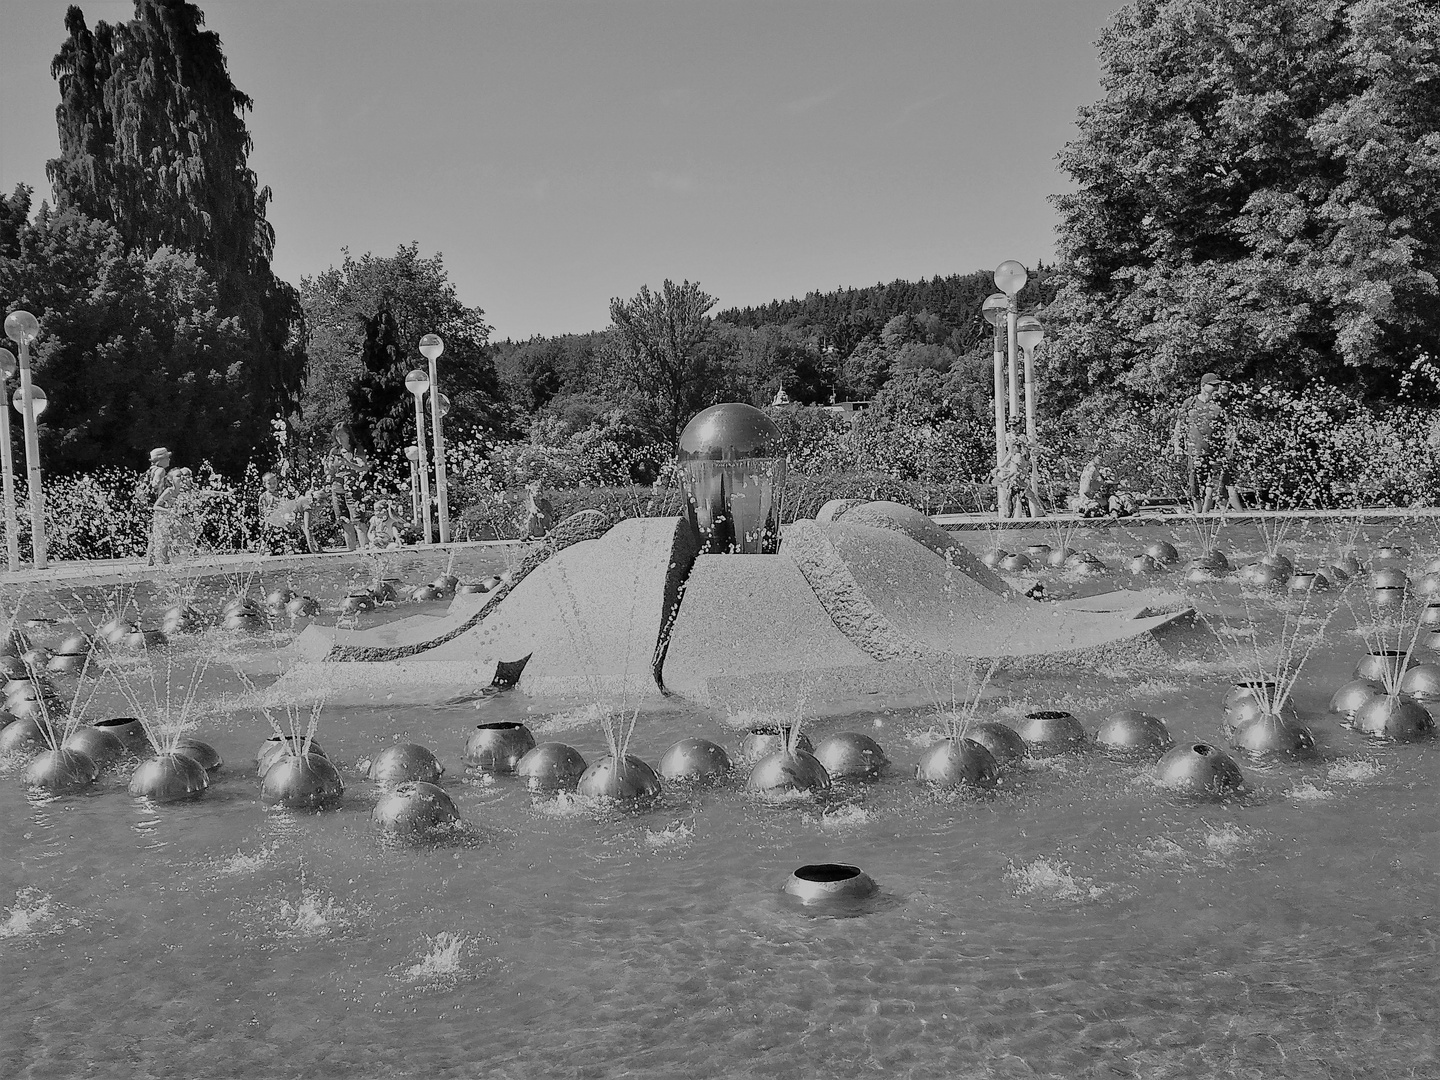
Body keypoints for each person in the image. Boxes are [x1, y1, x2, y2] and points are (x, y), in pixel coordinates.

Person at [1170, 372, 1229, 512]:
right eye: (1213, 385)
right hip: (1195, 452)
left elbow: (1230, 427)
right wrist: (1177, 446)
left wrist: (1229, 447)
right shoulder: (1189, 403)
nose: (1216, 387)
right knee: (1195, 487)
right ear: (1203, 386)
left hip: (1217, 453)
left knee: (1220, 489)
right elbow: (1179, 425)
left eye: (1217, 385)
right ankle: (1198, 516)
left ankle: (1224, 520)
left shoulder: (1221, 404)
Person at [323, 422, 371, 551]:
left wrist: (347, 463)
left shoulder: (356, 449)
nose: (339, 437)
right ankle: (351, 553)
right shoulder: (334, 451)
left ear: (348, 434)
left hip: (353, 489)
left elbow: (363, 467)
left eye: (341, 434)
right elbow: (330, 473)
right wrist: (328, 468)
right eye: (337, 435)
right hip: (337, 489)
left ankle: (366, 551)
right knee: (344, 522)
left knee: (358, 521)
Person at [258, 470, 317, 555]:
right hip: (270, 517)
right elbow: (261, 509)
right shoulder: (264, 496)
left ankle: (290, 545)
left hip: (279, 516)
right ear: (264, 485)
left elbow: (284, 505)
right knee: (267, 528)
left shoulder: (279, 494)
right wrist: (265, 513)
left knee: (291, 522)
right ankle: (263, 546)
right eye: (269, 483)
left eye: (274, 482)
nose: (272, 485)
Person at [991, 428, 1044, 519]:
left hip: (1017, 480)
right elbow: (1006, 464)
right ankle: (1034, 513)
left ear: (1015, 447)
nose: (1009, 447)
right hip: (1020, 479)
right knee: (1025, 497)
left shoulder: (1017, 456)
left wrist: (1004, 478)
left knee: (1012, 497)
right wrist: (998, 469)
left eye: (1010, 446)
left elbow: (1014, 471)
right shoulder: (1019, 454)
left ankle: (1009, 516)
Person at [144, 447, 172, 565]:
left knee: (154, 533)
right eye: (167, 457)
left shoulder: (149, 470)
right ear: (160, 460)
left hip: (148, 505)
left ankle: (150, 560)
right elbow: (155, 484)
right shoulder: (160, 470)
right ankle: (165, 559)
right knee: (164, 531)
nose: (169, 460)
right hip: (157, 505)